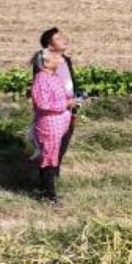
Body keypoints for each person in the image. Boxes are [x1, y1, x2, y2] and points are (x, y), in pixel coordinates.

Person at [32, 27, 82, 165]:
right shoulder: (43, 64)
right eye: (58, 38)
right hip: (53, 114)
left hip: (69, 109)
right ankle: (45, 182)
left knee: (63, 145)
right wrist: (63, 104)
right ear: (49, 46)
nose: (64, 40)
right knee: (50, 150)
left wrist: (77, 98)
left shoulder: (66, 60)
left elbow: (71, 81)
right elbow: (42, 93)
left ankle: (53, 176)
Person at [29, 48, 73, 205]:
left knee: (52, 156)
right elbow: (43, 104)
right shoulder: (41, 79)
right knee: (49, 158)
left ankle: (47, 192)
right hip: (48, 125)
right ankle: (49, 196)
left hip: (57, 124)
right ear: (46, 62)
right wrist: (66, 103)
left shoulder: (52, 76)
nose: (59, 58)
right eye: (54, 56)